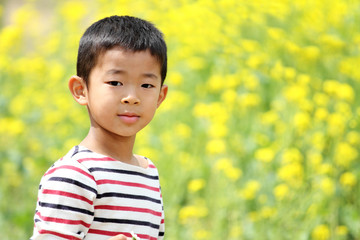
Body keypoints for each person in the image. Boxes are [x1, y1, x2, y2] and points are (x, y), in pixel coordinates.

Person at [30, 15, 168, 240]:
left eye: (146, 85)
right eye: (115, 83)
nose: (131, 97)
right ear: (80, 90)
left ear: (160, 96)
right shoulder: (75, 174)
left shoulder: (148, 172)